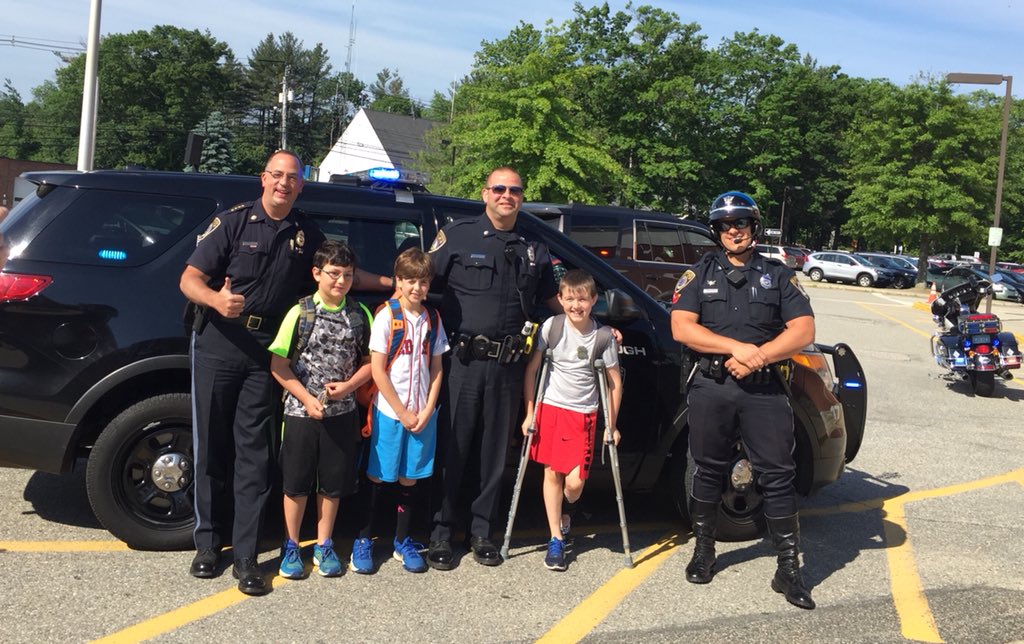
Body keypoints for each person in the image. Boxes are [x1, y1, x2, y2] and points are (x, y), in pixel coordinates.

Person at [180, 150, 325, 595]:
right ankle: (207, 545)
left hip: (267, 355)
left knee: (255, 457)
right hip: (220, 343)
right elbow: (189, 278)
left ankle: (245, 554)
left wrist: (392, 284)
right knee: (211, 448)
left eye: (293, 177)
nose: (284, 183)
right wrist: (217, 301)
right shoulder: (234, 222)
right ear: (263, 179)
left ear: (301, 184)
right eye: (277, 175)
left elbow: (336, 272)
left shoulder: (306, 233)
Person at [669, 191, 817, 610]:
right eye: (726, 225)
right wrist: (736, 348)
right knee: (707, 469)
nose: (734, 231)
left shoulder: (778, 275)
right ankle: (704, 549)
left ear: (754, 227)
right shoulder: (697, 274)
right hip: (712, 387)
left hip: (765, 389)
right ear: (716, 231)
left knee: (777, 474)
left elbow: (803, 330)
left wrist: (760, 357)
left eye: (742, 224)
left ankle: (788, 568)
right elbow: (681, 327)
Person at [426, 166, 559, 569]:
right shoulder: (459, 234)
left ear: (522, 197)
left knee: (494, 454)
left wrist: (601, 328)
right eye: (499, 189)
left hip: (508, 366)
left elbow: (555, 301)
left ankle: (483, 532)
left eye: (514, 190)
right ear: (485, 193)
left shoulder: (534, 247)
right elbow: (417, 281)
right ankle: (441, 533)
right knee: (454, 449)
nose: (506, 195)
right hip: (461, 364)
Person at [267, 239, 373, 579]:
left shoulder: (359, 314)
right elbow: (279, 366)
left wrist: (349, 387)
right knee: (296, 483)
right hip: (300, 412)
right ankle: (292, 544)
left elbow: (372, 362)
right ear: (316, 273)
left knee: (333, 483)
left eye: (348, 275)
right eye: (333, 274)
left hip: (342, 413)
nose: (340, 281)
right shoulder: (299, 313)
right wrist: (305, 398)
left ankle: (324, 544)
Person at [351, 247, 448, 574]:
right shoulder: (386, 316)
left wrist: (428, 408)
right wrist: (401, 411)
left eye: (422, 282)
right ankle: (363, 538)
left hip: (422, 414)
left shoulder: (433, 319)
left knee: (410, 479)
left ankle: (402, 540)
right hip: (390, 414)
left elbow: (437, 368)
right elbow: (378, 370)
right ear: (398, 281)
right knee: (379, 477)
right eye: (409, 281)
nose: (416, 288)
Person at [521, 269, 622, 571]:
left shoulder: (603, 337)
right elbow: (532, 371)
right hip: (551, 408)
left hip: (584, 414)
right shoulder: (551, 327)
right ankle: (555, 539)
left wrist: (612, 425)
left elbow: (614, 383)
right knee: (552, 473)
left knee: (575, 482)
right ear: (561, 299)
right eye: (569, 299)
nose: (575, 306)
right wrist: (529, 413)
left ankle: (569, 508)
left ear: (593, 300)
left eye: (582, 299)